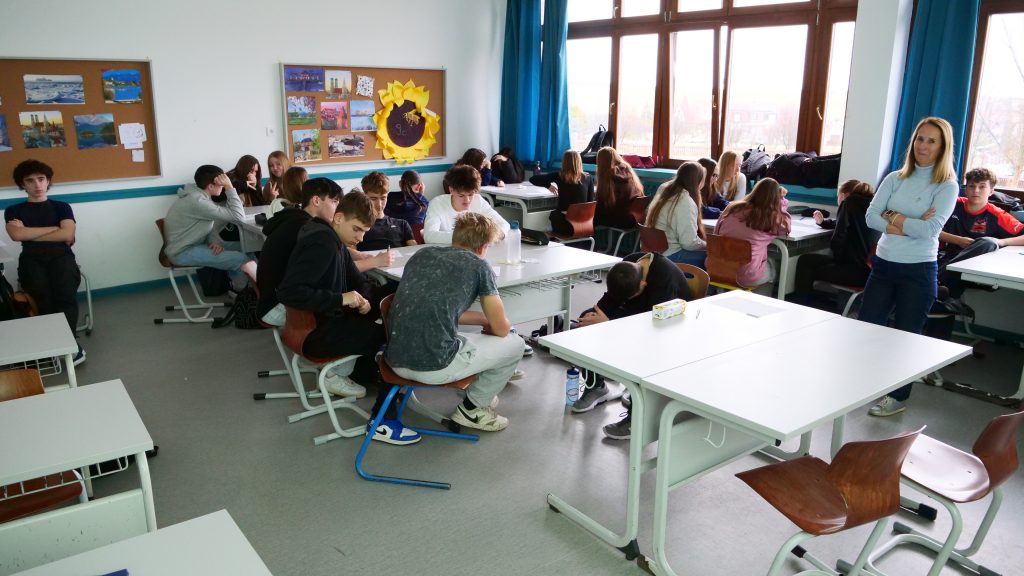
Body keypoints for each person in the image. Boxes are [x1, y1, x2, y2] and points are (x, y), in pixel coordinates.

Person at [276, 191, 419, 445]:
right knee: (393, 337)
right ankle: (382, 421)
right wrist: (341, 298)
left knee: (388, 302)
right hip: (315, 333)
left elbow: (358, 282)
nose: (360, 238)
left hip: (321, 323)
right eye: (357, 229)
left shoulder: (333, 240)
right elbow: (289, 292)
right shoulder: (321, 243)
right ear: (339, 218)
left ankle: (378, 377)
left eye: (364, 232)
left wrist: (365, 302)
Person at [385, 212, 523, 432]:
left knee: (468, 337)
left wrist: (481, 319)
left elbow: (435, 308)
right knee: (515, 344)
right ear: (483, 247)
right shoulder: (479, 266)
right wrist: (492, 323)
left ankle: (478, 393)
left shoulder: (423, 254)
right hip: (434, 367)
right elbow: (500, 329)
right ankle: (473, 409)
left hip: (395, 360)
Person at [859, 116, 959, 417]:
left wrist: (892, 215)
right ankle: (863, 385)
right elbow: (870, 217)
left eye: (931, 141)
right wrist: (908, 224)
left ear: (942, 147)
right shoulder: (894, 178)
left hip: (918, 271)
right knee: (866, 329)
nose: (922, 146)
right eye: (919, 139)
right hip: (884, 266)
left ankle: (897, 397)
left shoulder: (946, 186)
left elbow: (930, 231)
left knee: (905, 338)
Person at [571, 252, 691, 439]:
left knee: (644, 347)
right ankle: (596, 387)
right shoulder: (627, 266)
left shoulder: (664, 278)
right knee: (586, 321)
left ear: (643, 284)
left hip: (667, 323)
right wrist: (595, 315)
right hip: (640, 315)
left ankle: (638, 418)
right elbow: (610, 300)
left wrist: (609, 322)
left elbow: (653, 323)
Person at [4, 160, 85, 364]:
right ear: (23, 184)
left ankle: (70, 345)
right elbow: (16, 235)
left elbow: (67, 234)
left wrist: (28, 233)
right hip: (32, 259)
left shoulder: (61, 207)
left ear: (48, 181)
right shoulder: (13, 210)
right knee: (42, 298)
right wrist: (54, 229)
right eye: (30, 181)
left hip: (61, 257)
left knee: (65, 295)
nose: (37, 185)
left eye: (41, 179)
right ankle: (51, 344)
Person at [256, 177, 341, 325]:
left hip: (269, 301)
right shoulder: (306, 228)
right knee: (342, 308)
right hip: (277, 306)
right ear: (316, 201)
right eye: (334, 201)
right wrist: (372, 261)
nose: (338, 208)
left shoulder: (295, 219)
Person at [163, 165, 256, 291]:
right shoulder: (198, 201)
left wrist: (214, 241)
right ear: (210, 186)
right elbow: (238, 216)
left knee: (248, 247)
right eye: (221, 185)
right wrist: (230, 187)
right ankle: (242, 292)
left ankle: (249, 288)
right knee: (240, 259)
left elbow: (205, 224)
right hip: (181, 252)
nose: (223, 187)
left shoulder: (198, 194)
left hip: (194, 245)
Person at [938, 167, 1024, 299]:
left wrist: (1000, 242)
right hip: (949, 257)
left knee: (988, 242)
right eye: (971, 186)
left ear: (991, 191)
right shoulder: (952, 204)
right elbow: (928, 228)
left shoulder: (997, 214)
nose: (976, 190)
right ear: (965, 189)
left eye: (982, 186)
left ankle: (936, 281)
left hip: (979, 264)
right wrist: (958, 240)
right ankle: (942, 293)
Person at [792, 179, 879, 305]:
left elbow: (838, 238)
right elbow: (849, 225)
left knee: (805, 262)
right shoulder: (872, 205)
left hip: (854, 272)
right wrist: (824, 223)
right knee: (810, 261)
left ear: (842, 195)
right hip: (870, 272)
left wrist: (836, 260)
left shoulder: (848, 203)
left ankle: (800, 305)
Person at [713, 177, 792, 287]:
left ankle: (724, 289)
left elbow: (716, 233)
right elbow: (787, 228)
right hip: (745, 276)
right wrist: (782, 201)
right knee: (776, 266)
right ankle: (763, 297)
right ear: (775, 198)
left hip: (717, 268)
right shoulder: (771, 217)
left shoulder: (732, 207)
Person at [423, 165, 510, 244]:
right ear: (451, 190)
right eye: (461, 195)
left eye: (471, 194)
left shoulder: (478, 201)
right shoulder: (437, 203)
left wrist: (492, 235)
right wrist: (468, 237)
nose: (467, 200)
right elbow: (429, 236)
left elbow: (504, 225)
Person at [646, 161, 707, 268]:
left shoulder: (664, 189)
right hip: (670, 256)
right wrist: (707, 245)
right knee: (713, 259)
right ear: (698, 182)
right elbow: (688, 243)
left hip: (655, 253)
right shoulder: (685, 201)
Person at [529, 150, 595, 235]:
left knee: (553, 214)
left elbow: (533, 179)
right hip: (584, 225)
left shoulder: (559, 176)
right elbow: (590, 202)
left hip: (566, 226)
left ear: (564, 162)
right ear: (579, 161)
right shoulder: (588, 178)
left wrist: (548, 186)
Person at [355, 171, 416, 251]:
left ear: (387, 196)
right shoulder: (356, 225)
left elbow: (415, 251)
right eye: (373, 199)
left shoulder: (402, 224)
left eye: (383, 198)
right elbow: (350, 253)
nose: (379, 204)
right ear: (364, 196)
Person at [594, 146, 644, 229]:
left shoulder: (608, 175)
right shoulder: (628, 170)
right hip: (636, 218)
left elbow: (604, 203)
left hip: (622, 219)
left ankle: (585, 236)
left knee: (590, 216)